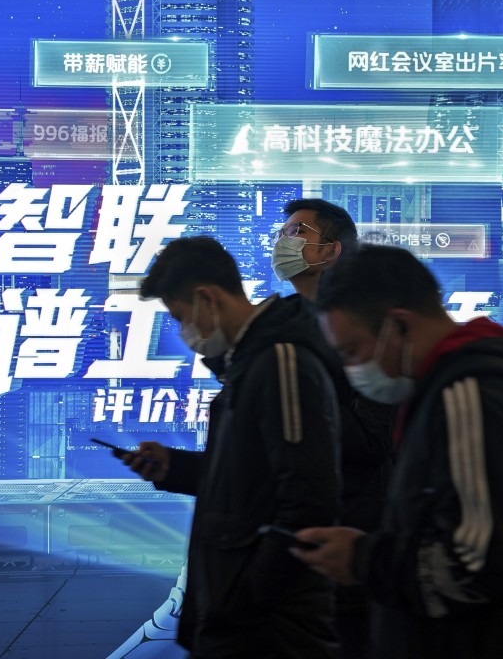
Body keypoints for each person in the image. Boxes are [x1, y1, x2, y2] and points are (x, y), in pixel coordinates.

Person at [293, 244, 503, 659]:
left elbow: (475, 562)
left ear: (398, 325)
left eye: (352, 352)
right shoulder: (450, 386)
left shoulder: (469, 394)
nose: (352, 369)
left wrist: (364, 558)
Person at [119, 235, 341, 659]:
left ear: (207, 298)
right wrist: (176, 468)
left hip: (268, 627)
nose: (186, 333)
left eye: (182, 317)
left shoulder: (281, 360)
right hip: (237, 616)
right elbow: (253, 480)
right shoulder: (246, 364)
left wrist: (246, 595)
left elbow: (307, 497)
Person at [271, 199, 395, 659]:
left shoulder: (372, 330)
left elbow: (370, 443)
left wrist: (297, 394)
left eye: (296, 232)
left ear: (331, 251)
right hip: (283, 545)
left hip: (349, 544)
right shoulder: (276, 322)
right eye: (283, 232)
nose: (282, 242)